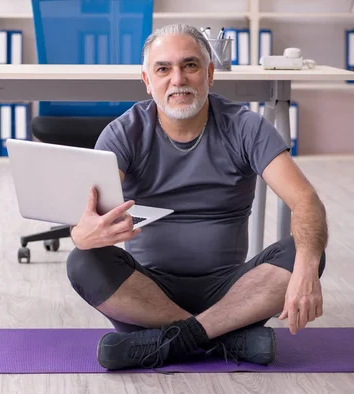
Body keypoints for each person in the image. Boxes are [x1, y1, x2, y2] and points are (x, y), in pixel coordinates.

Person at [66, 23, 328, 370]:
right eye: (163, 69)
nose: (178, 79)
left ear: (209, 73)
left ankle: (165, 342)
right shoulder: (123, 133)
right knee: (83, 261)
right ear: (147, 80)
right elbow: (86, 220)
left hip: (233, 292)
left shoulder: (245, 126)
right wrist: (82, 234)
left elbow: (306, 200)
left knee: (306, 251)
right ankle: (223, 339)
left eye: (189, 65)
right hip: (148, 291)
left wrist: (307, 266)